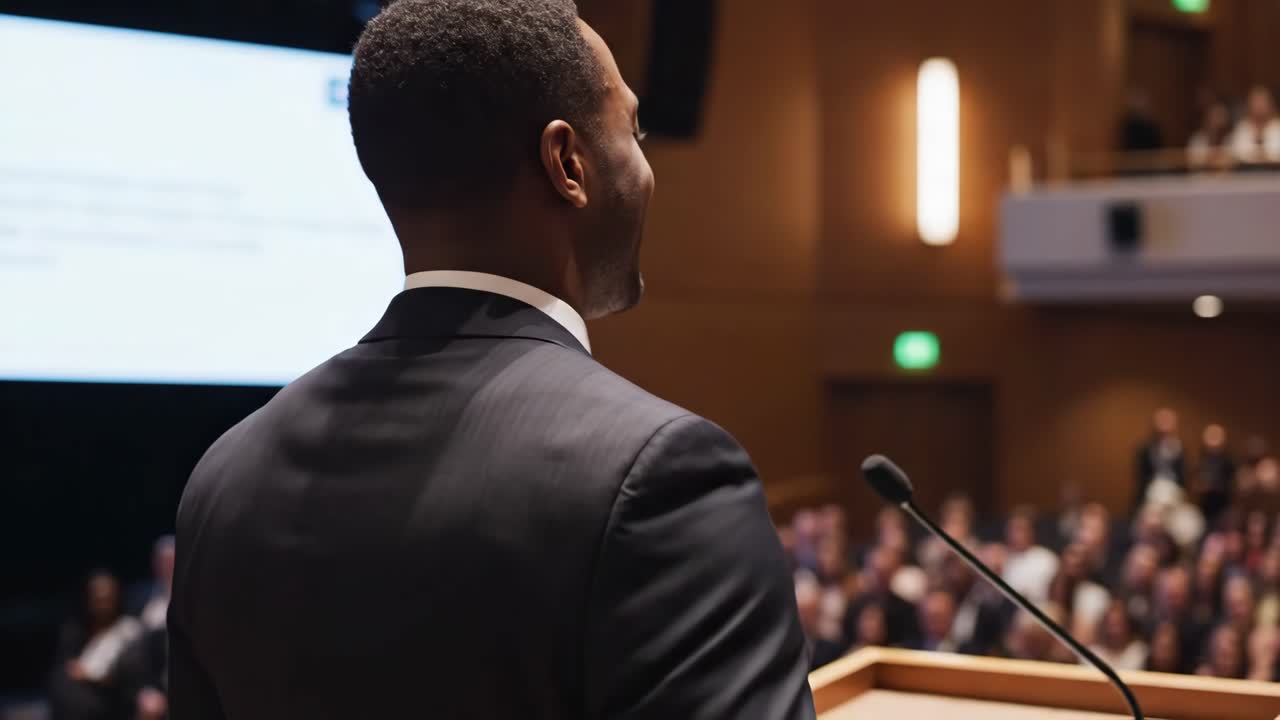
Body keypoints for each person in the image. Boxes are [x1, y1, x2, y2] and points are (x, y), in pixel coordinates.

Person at [168, 3, 813, 718]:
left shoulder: (224, 477)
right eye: (633, 129)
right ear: (567, 163)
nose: (646, 164)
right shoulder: (662, 476)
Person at [48, 571, 142, 720]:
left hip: (113, 699)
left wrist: (93, 676)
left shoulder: (128, 629)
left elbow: (126, 675)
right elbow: (69, 668)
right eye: (97, 599)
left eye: (107, 599)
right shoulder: (75, 629)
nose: (103, 605)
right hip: (76, 698)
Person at [1001, 506, 1059, 603]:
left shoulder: (1046, 558)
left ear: (1031, 532)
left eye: (1019, 529)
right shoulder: (1000, 557)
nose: (1013, 535)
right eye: (1011, 529)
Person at [1134, 408, 1185, 514]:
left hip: (1174, 494)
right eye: (1162, 421)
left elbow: (1183, 474)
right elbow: (1140, 474)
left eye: (1168, 421)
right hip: (1150, 493)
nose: (1165, 425)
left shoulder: (1180, 448)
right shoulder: (1146, 448)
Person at [1088, 600, 1148, 671]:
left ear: (1127, 626)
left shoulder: (1138, 653)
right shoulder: (1092, 654)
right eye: (1111, 625)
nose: (1114, 630)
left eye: (1118, 625)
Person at [1196, 424, 1236, 530]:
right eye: (1209, 437)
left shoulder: (1228, 461)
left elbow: (1231, 485)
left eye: (1215, 437)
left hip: (1222, 507)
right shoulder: (1202, 459)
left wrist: (1213, 486)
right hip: (1204, 505)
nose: (1211, 441)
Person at [1230, 85, 1280, 165]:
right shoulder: (1243, 127)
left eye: (1262, 101)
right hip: (1245, 173)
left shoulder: (1277, 126)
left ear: (1270, 104)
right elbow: (1237, 154)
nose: (1259, 106)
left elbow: (1276, 154)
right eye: (1256, 101)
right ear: (1249, 104)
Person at [1187, 99, 1234, 171]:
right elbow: (1193, 165)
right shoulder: (1197, 140)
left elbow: (1231, 165)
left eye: (1221, 116)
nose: (1218, 122)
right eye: (1215, 116)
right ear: (1207, 119)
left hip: (1227, 181)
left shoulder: (1230, 140)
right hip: (1200, 180)